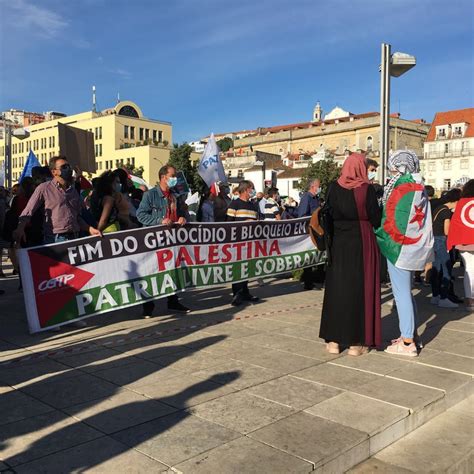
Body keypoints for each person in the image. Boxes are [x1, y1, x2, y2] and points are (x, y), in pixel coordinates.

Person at [319, 153, 382, 356]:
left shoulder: (333, 187)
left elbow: (327, 212)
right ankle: (356, 344)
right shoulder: (366, 189)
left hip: (338, 242)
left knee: (337, 289)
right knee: (359, 289)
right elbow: (375, 218)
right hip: (361, 242)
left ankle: (334, 342)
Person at [376, 150, 433, 357]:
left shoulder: (401, 186)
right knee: (406, 293)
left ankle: (407, 341)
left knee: (401, 295)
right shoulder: (419, 186)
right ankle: (412, 336)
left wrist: (381, 236)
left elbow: (392, 219)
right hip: (413, 248)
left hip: (399, 249)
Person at [137, 164, 191, 317]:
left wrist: (183, 218)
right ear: (163, 177)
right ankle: (148, 306)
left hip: (172, 240)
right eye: (172, 176)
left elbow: (182, 214)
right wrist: (160, 220)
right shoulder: (150, 195)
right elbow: (141, 215)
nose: (175, 179)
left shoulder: (175, 196)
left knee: (173, 271)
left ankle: (173, 301)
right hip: (154, 241)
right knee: (150, 272)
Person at [15, 157, 101, 245]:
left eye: (68, 166)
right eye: (64, 167)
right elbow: (28, 211)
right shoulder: (44, 188)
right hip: (55, 239)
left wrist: (89, 228)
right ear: (54, 172)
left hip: (75, 237)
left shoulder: (73, 191)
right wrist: (20, 228)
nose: (68, 169)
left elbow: (77, 217)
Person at [226, 180, 260, 306]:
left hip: (249, 242)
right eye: (252, 189)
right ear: (246, 190)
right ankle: (237, 293)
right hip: (237, 242)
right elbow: (228, 224)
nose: (253, 191)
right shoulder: (234, 204)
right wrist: (243, 223)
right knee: (237, 268)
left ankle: (245, 291)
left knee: (247, 267)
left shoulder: (253, 205)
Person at [430, 188, 462, 308]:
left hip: (434, 240)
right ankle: (443, 297)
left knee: (436, 269)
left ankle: (435, 296)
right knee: (446, 269)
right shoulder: (447, 212)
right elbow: (447, 231)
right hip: (442, 241)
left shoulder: (439, 208)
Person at [447, 180, 474, 310]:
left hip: (464, 243)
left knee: (469, 270)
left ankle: (470, 300)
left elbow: (456, 223)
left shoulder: (462, 204)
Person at [297, 178, 321, 290]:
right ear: (313, 186)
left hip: (316, 231)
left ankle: (313, 280)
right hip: (309, 231)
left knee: (314, 256)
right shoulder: (307, 198)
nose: (320, 188)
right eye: (319, 186)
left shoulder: (316, 198)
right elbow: (302, 215)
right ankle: (307, 282)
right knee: (309, 257)